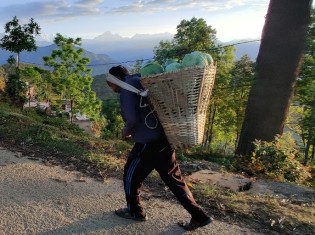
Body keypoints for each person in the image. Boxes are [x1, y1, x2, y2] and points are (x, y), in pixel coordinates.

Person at [106, 65, 212, 231]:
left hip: (147, 142)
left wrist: (125, 131)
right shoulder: (141, 81)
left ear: (116, 80)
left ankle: (135, 211)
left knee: (130, 175)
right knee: (174, 180)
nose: (110, 88)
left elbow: (132, 119)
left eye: (109, 84)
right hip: (165, 138)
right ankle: (199, 216)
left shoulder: (126, 89)